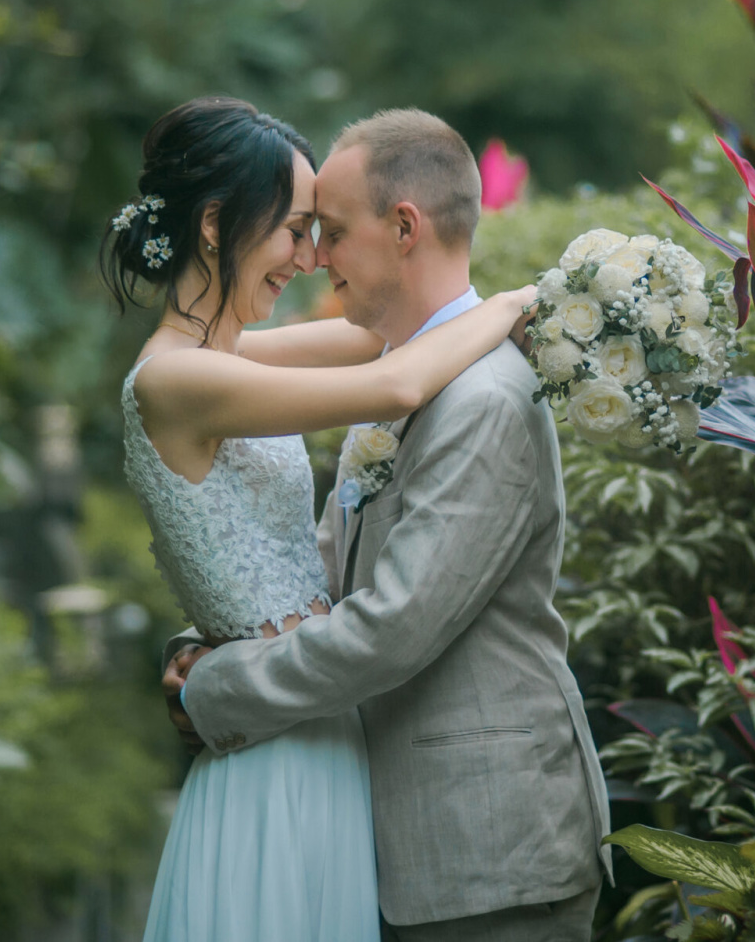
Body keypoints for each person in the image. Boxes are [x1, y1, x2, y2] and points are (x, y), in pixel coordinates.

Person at [166, 108, 613, 942]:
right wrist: (205, 640)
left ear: (404, 226)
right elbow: (318, 578)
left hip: (487, 853)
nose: (316, 256)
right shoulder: (403, 378)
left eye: (331, 231)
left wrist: (216, 686)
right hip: (402, 842)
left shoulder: (486, 399)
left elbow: (390, 627)